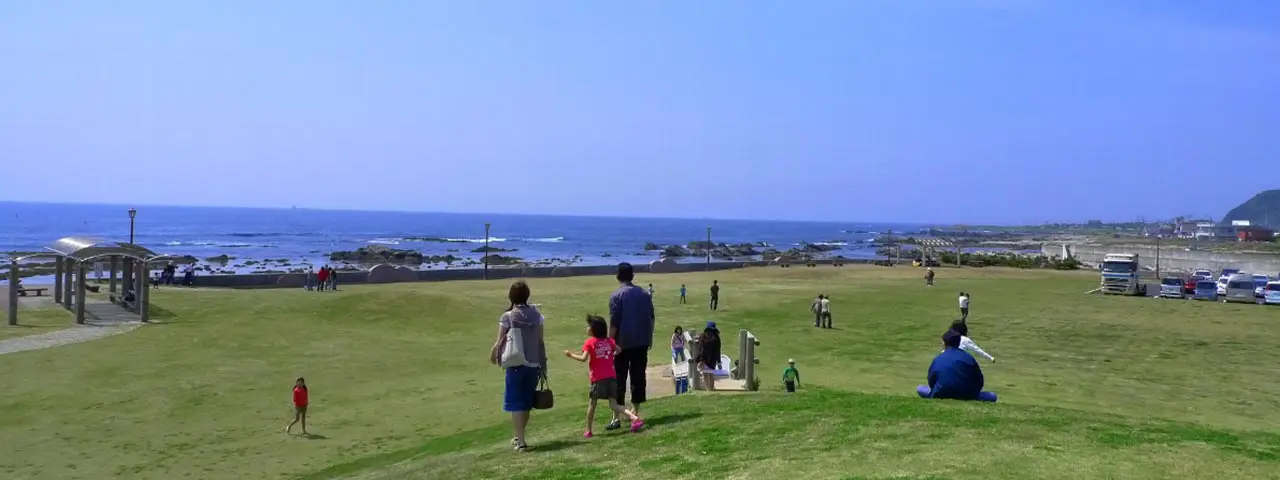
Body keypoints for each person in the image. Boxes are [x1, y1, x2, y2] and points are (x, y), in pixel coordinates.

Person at [489, 281, 547, 451]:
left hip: (516, 362)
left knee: (516, 403)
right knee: (526, 402)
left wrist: (494, 356)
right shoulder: (537, 316)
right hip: (534, 363)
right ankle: (518, 436)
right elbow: (540, 341)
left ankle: (520, 441)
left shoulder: (508, 316)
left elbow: (500, 341)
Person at [563, 315, 644, 437]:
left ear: (593, 329)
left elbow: (584, 358)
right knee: (614, 404)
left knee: (592, 404)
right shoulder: (609, 341)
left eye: (589, 326)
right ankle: (634, 418)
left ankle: (589, 430)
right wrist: (610, 355)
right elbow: (619, 350)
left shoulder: (590, 342)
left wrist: (570, 355)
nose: (587, 328)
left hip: (597, 379)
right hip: (611, 377)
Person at [607, 263, 655, 431]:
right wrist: (649, 338)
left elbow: (614, 322)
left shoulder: (616, 296)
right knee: (638, 377)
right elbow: (651, 317)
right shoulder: (644, 294)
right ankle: (636, 411)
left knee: (618, 379)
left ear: (618, 276)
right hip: (641, 341)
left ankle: (616, 417)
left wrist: (610, 342)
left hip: (621, 344)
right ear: (632, 275)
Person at [917, 330, 997, 402]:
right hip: (967, 395)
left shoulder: (938, 358)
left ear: (945, 343)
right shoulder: (968, 357)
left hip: (941, 393)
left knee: (920, 388)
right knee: (992, 396)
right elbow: (979, 380)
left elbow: (931, 378)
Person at [696, 321, 722, 390]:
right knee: (710, 374)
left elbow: (700, 349)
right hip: (712, 359)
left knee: (705, 374)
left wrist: (700, 359)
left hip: (703, 359)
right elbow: (718, 351)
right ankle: (711, 388)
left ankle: (708, 389)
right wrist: (719, 361)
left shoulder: (702, 336)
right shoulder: (716, 338)